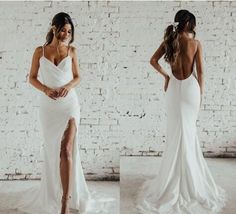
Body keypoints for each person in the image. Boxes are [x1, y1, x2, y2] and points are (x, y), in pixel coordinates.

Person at [0, 12, 113, 214]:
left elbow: (78, 76)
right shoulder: (40, 52)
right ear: (54, 28)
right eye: (63, 30)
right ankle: (54, 192)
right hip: (48, 107)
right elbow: (32, 78)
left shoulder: (72, 51)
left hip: (69, 105)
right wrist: (45, 89)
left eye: (69, 31)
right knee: (53, 151)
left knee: (66, 150)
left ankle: (65, 202)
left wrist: (68, 86)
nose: (66, 34)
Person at [136, 10, 226, 214]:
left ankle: (174, 178)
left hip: (174, 88)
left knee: (176, 132)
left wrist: (166, 77)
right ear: (187, 24)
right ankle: (191, 181)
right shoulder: (196, 44)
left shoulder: (169, 40)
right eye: (192, 24)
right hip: (190, 89)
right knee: (188, 132)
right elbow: (201, 71)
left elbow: (153, 61)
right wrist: (200, 93)